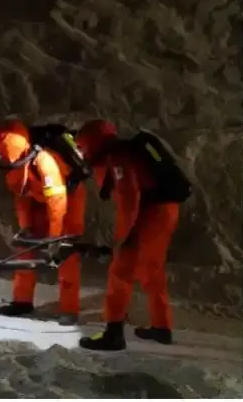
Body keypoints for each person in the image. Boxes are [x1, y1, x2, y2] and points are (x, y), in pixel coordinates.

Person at [76, 119, 179, 351]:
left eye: (82, 147)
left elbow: (129, 198)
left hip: (150, 213)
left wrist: (123, 238)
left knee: (120, 272)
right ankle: (161, 327)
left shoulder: (117, 158)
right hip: (165, 210)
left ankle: (113, 334)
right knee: (153, 269)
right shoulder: (124, 152)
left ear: (92, 142)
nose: (82, 153)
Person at [0, 119, 86, 325]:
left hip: (67, 201)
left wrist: (54, 237)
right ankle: (22, 301)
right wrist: (26, 227)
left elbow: (57, 202)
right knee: (26, 248)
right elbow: (21, 195)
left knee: (66, 252)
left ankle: (70, 309)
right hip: (39, 198)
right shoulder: (15, 162)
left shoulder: (45, 162)